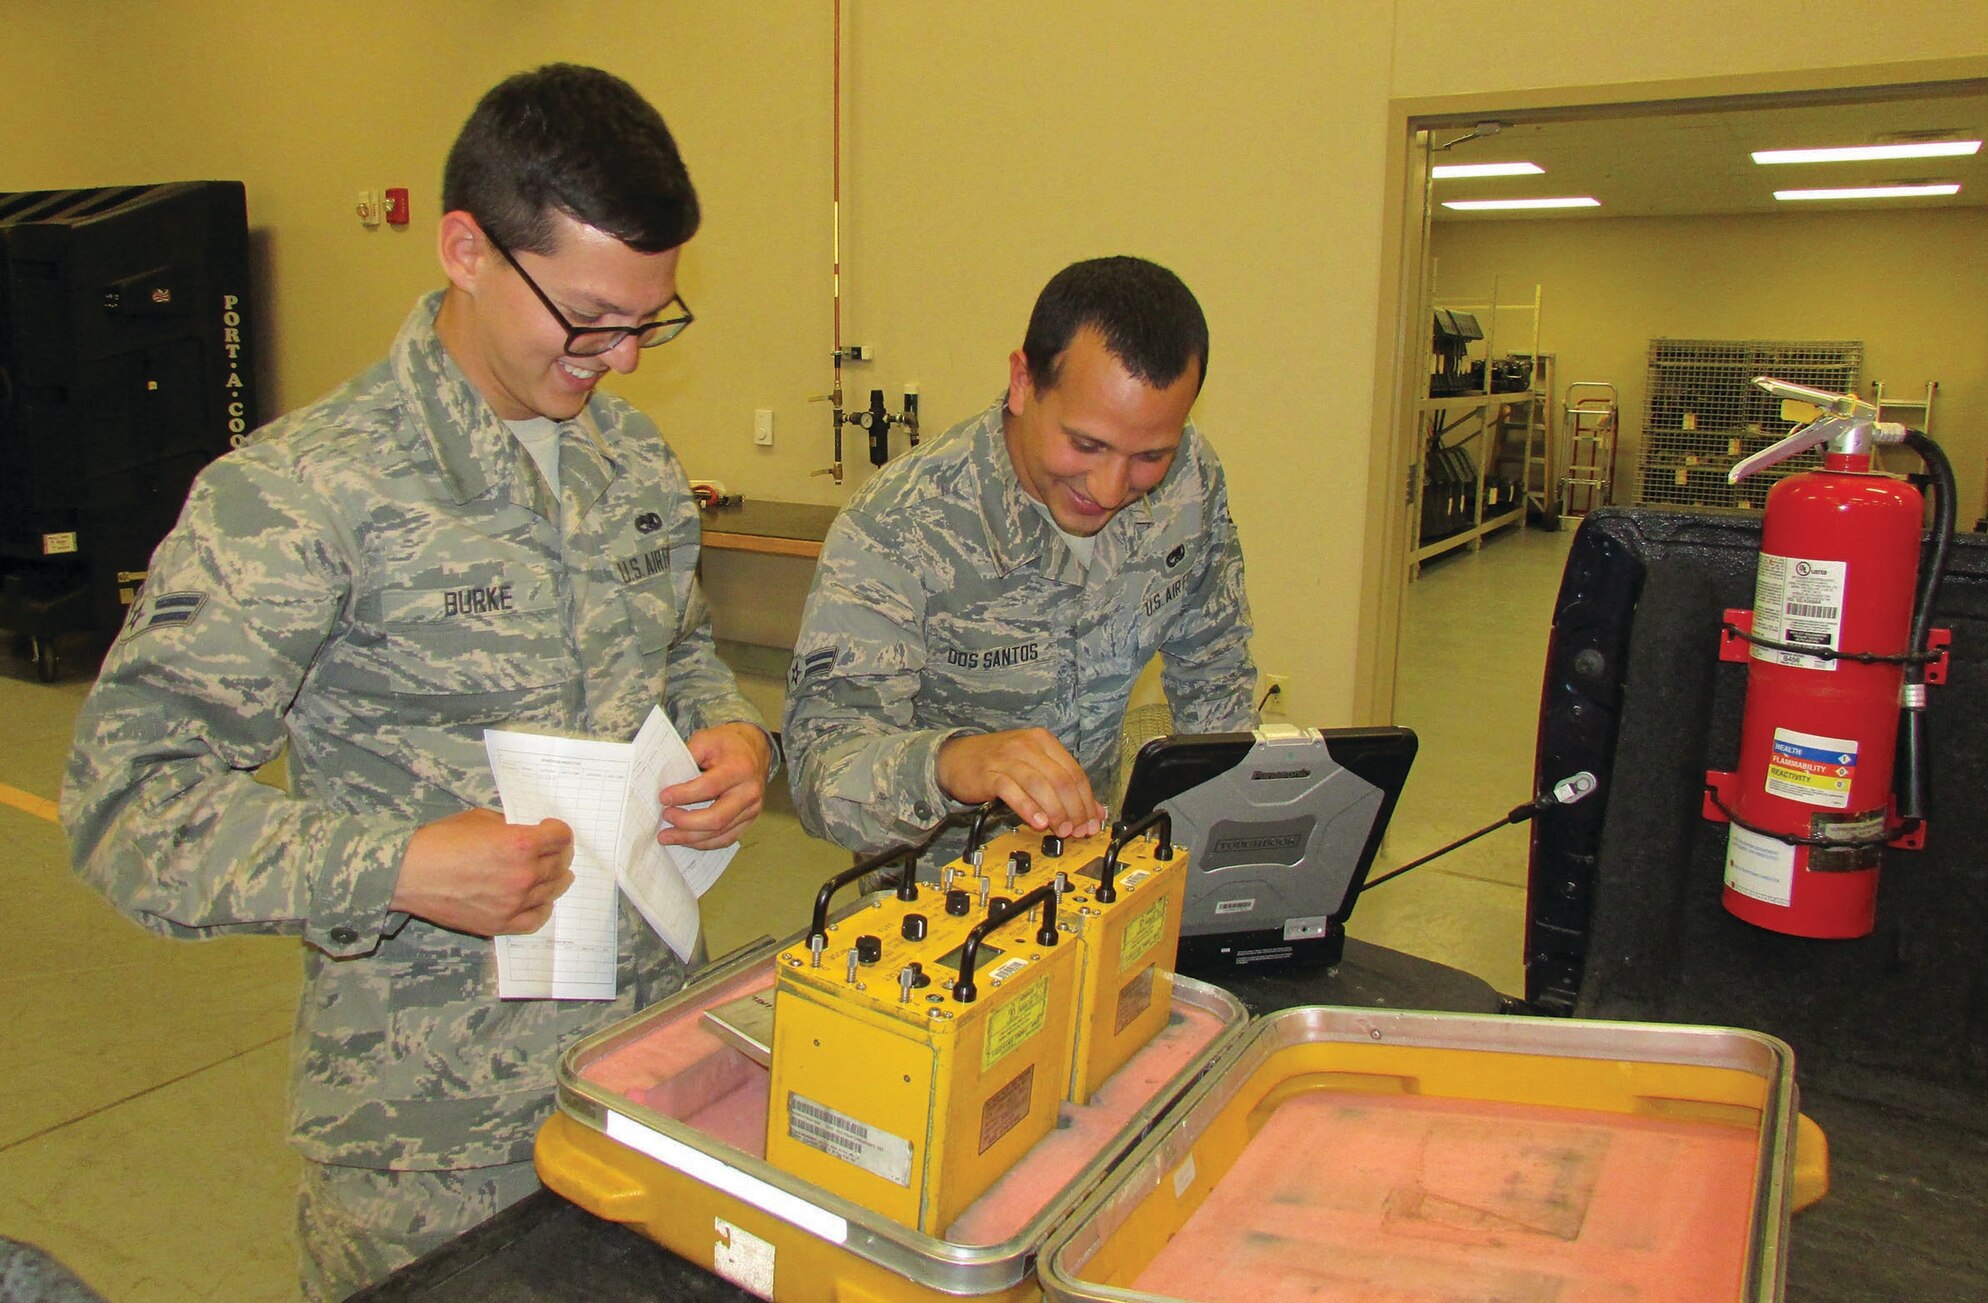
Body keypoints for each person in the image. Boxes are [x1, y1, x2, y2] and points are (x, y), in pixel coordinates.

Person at [60, 65, 771, 1299]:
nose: (621, 358)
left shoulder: (633, 462)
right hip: (432, 1147)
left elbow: (680, 645)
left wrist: (725, 728)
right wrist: (394, 865)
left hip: (647, 1068)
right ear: (466, 250)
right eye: (588, 317)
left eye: (647, 322)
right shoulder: (298, 497)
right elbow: (127, 805)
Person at [784, 255, 1256, 865]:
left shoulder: (1191, 480)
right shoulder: (899, 526)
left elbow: (1216, 677)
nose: (1111, 488)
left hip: (1092, 880)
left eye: (1149, 457)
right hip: (939, 903)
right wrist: (954, 763)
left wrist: (1217, 857)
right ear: (1023, 383)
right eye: (1086, 444)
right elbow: (821, 770)